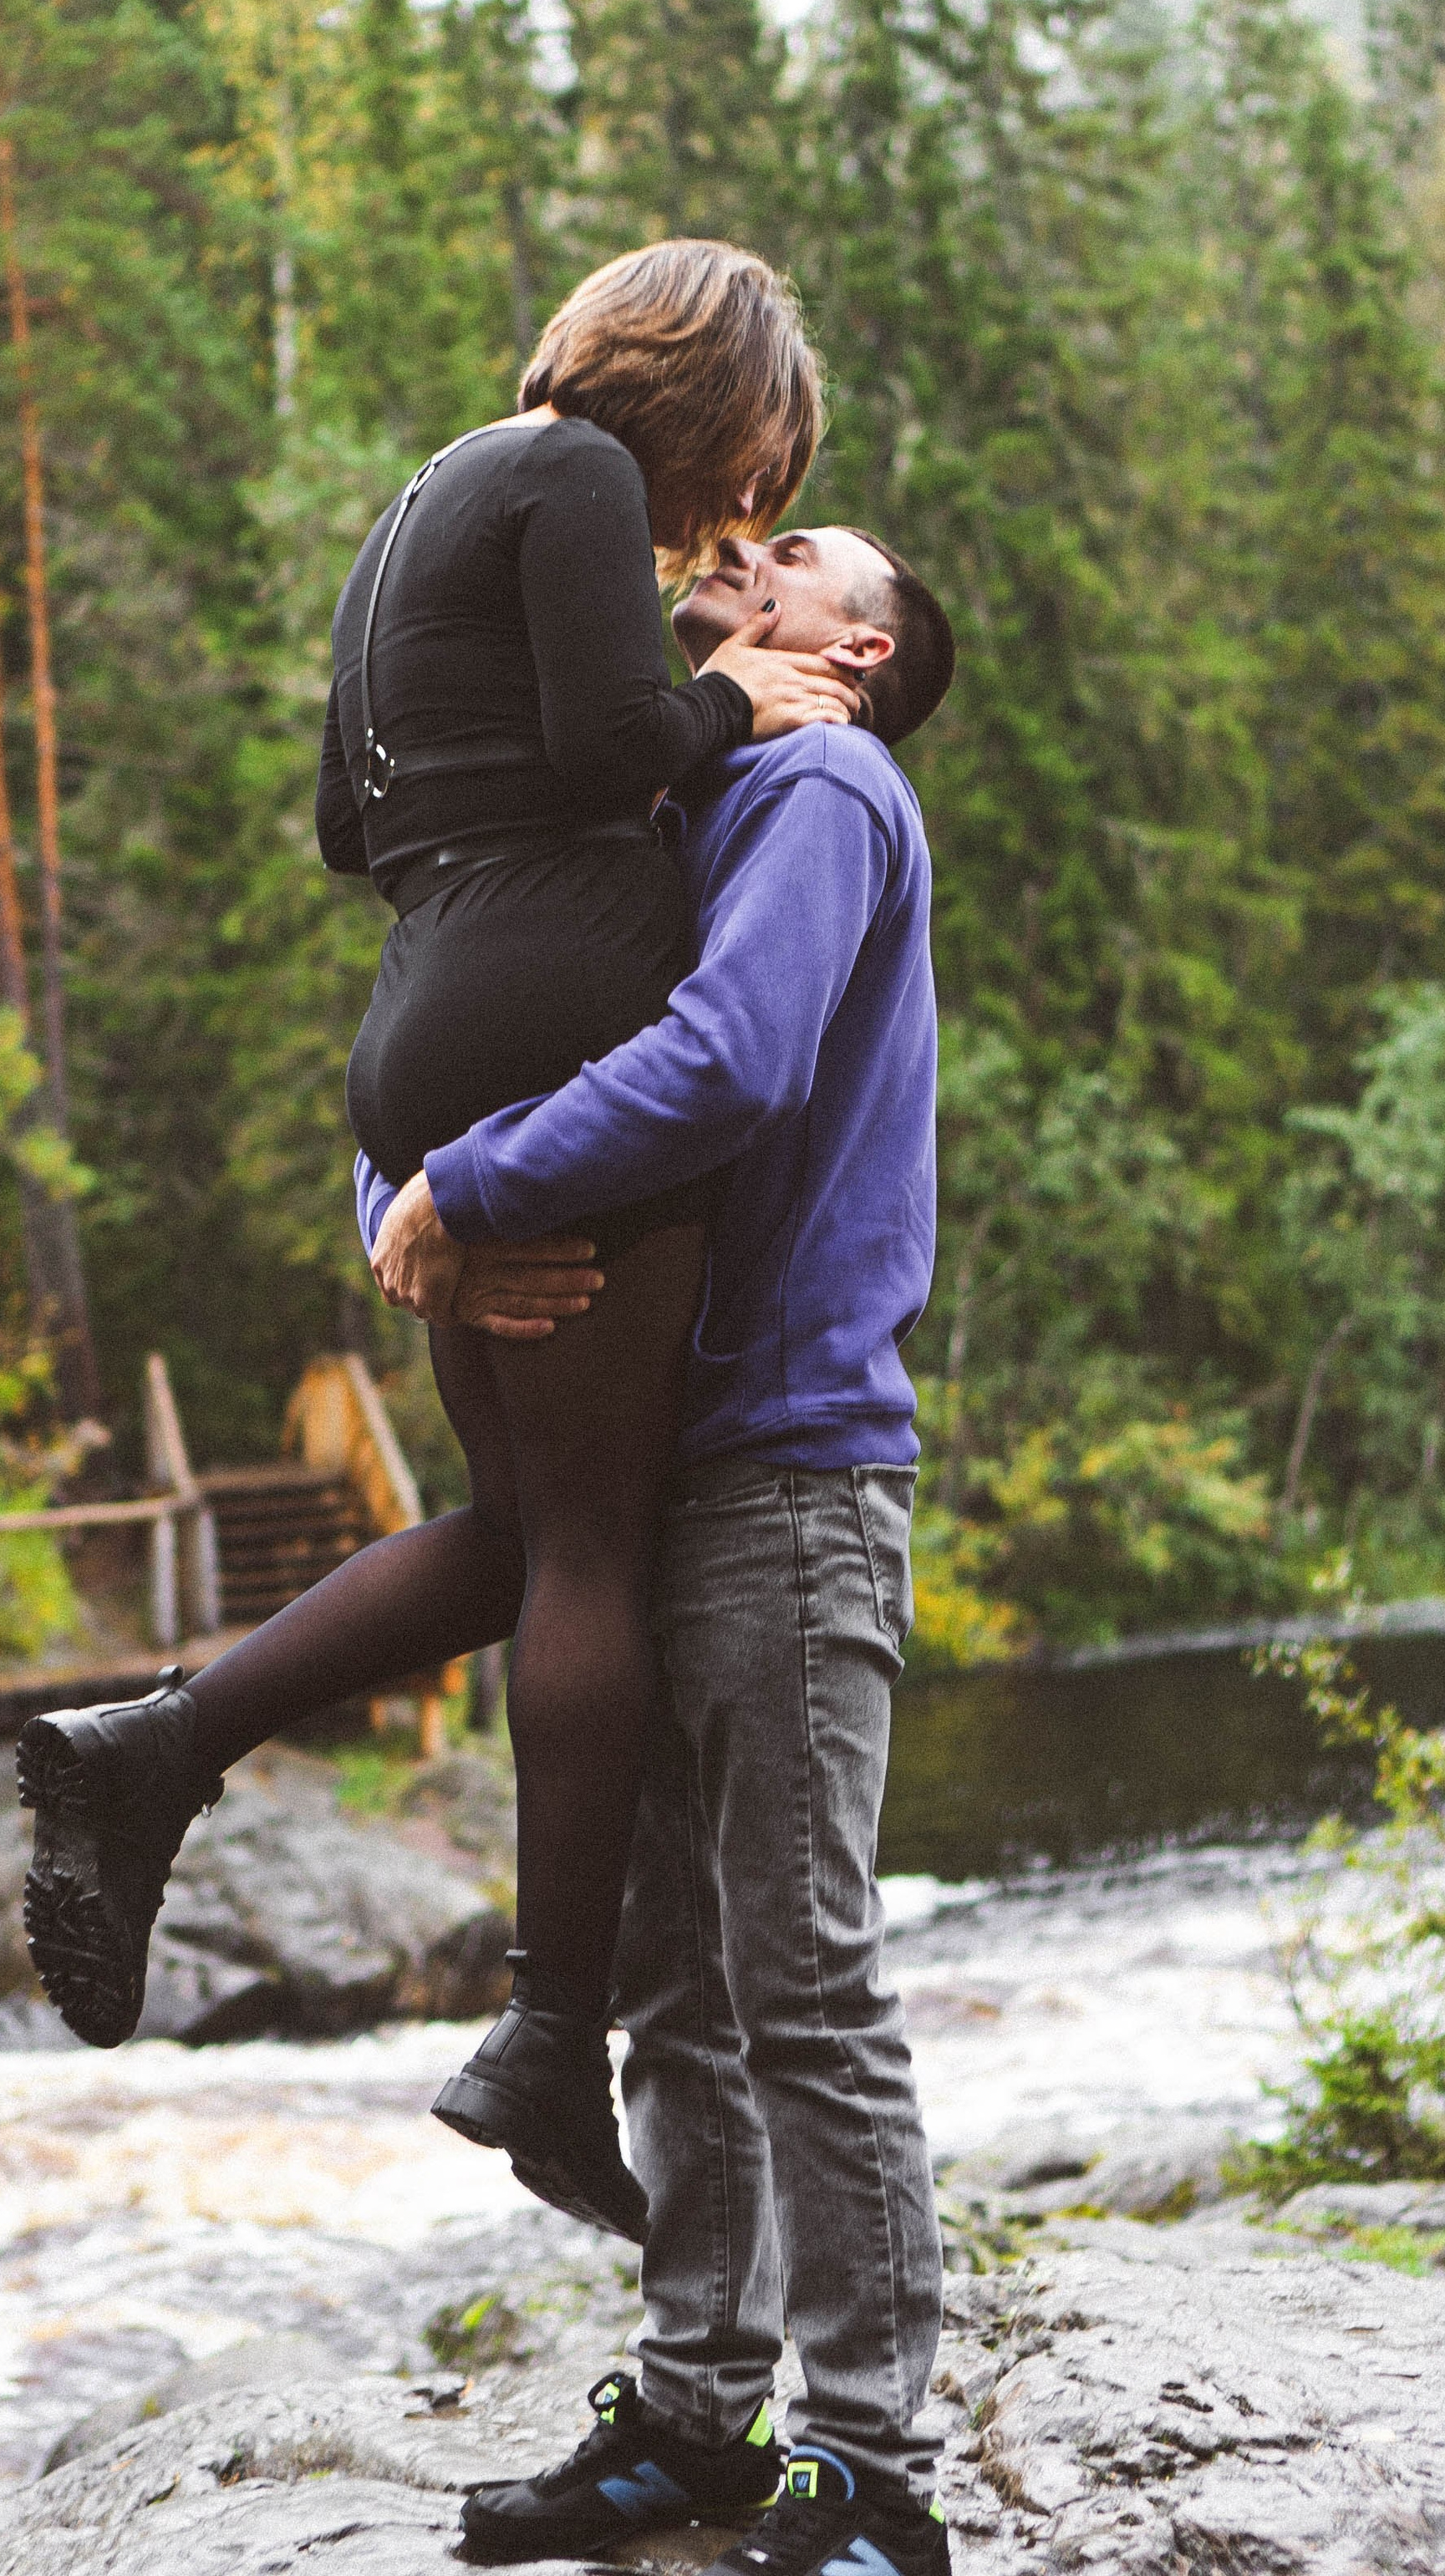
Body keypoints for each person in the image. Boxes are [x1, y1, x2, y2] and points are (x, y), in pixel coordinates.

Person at [15, 241, 854, 2244]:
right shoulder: (569, 475)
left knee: (518, 1528)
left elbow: (342, 826)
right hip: (552, 999)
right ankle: (551, 2031)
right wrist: (723, 701)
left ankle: (165, 1744)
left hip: (420, 1020)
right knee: (585, 1550)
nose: (730, 521)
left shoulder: (418, 511)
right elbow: (597, 757)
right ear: (703, 386)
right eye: (746, 471)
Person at [366, 517, 958, 2576]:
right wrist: (406, 1201)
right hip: (659, 1476)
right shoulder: (678, 789)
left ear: (850, 645)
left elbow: (729, 1062)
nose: (736, 551)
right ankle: (698, 2420)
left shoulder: (815, 781)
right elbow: (481, 998)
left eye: (789, 552)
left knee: (795, 1979)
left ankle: (872, 2472)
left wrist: (464, 1184)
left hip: (789, 1464)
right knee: (680, 1996)